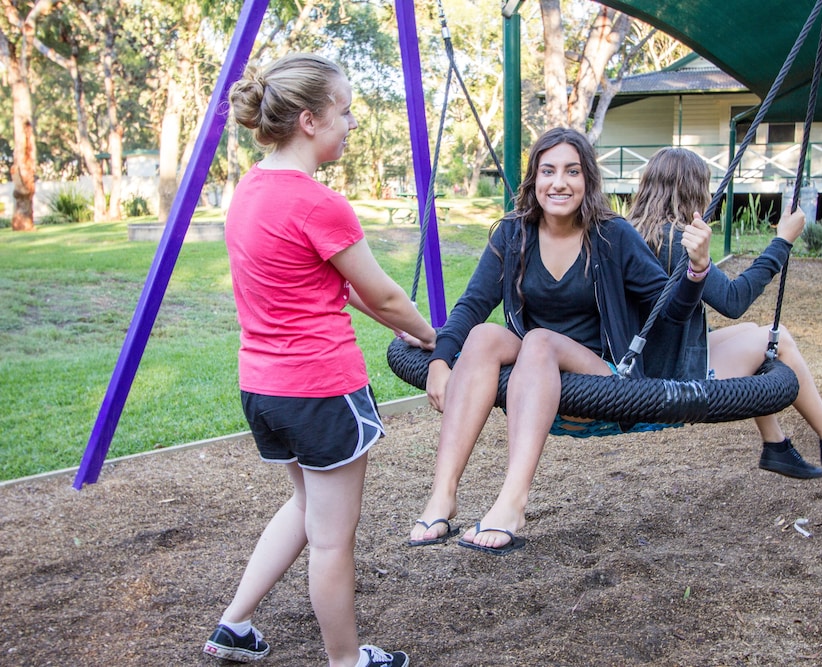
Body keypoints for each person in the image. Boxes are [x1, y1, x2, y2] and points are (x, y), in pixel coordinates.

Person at [203, 54, 435, 667]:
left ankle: (235, 623)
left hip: (265, 389)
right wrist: (429, 334)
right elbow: (383, 292)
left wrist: (399, 325)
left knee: (306, 508)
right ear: (309, 120)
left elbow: (335, 283)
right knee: (332, 541)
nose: (352, 123)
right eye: (345, 111)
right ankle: (346, 660)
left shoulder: (250, 189)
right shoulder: (318, 203)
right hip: (321, 390)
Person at [407, 127, 711, 555]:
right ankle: (443, 494)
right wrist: (441, 359)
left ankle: (513, 502)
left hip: (605, 375)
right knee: (485, 335)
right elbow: (472, 304)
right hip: (537, 371)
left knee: (539, 341)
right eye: (548, 171)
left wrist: (696, 271)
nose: (559, 182)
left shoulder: (613, 236)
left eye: (572, 171)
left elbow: (669, 312)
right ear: (534, 179)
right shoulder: (513, 235)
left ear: (587, 179)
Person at [628, 146, 822, 479]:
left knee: (752, 330)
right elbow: (733, 300)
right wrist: (782, 242)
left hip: (659, 358)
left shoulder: (637, 233)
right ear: (694, 191)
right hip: (674, 376)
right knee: (779, 340)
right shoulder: (679, 240)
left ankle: (775, 444)